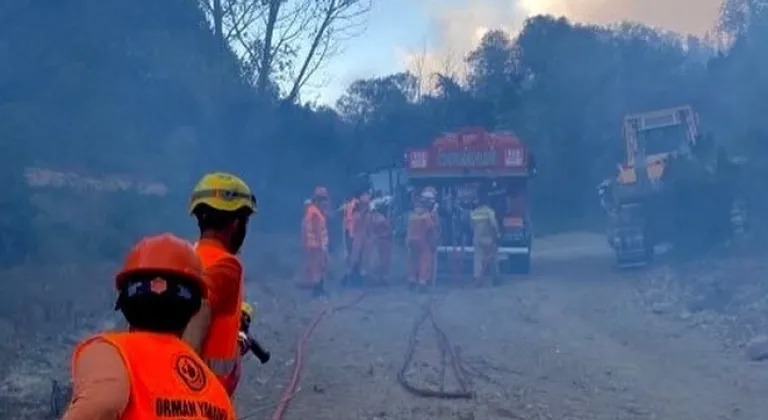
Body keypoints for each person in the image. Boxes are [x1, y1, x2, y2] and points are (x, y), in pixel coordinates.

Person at [63, 234, 235, 420]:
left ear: (124, 300)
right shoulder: (216, 394)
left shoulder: (111, 352)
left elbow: (102, 403)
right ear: (193, 308)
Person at [185, 172, 256, 395]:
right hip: (205, 398)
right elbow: (201, 309)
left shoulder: (189, 255)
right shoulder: (227, 266)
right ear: (236, 224)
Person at [301, 186, 330, 296]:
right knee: (319, 267)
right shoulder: (315, 212)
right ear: (318, 200)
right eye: (323, 200)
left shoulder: (312, 210)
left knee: (317, 267)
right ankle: (318, 289)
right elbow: (317, 230)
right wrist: (323, 245)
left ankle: (318, 288)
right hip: (317, 245)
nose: (325, 203)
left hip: (313, 245)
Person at [406, 194, 438, 293]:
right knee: (424, 261)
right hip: (423, 242)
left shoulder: (412, 216)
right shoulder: (426, 216)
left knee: (413, 261)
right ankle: (422, 283)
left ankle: (411, 280)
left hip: (411, 241)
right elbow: (431, 228)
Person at [470, 190, 501, 286]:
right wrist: (497, 234)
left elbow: (471, 227)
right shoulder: (489, 212)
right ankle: (496, 278)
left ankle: (477, 278)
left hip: (477, 239)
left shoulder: (473, 213)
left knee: (478, 259)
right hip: (488, 238)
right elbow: (494, 224)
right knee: (492, 258)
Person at [345, 194, 372, 287]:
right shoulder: (356, 215)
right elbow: (352, 227)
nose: (366, 206)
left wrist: (370, 237)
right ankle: (349, 278)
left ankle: (362, 280)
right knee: (354, 258)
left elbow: (369, 228)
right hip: (357, 238)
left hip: (365, 239)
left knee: (364, 259)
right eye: (364, 204)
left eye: (367, 204)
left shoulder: (369, 215)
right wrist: (351, 238)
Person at [368, 196, 393, 286]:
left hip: (378, 241)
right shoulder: (380, 218)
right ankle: (379, 279)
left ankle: (379, 278)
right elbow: (387, 229)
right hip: (381, 241)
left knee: (380, 260)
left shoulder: (374, 216)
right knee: (380, 260)